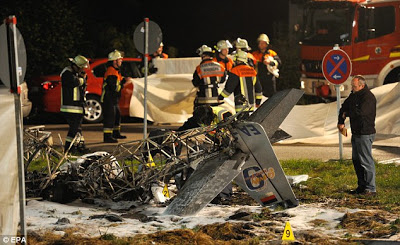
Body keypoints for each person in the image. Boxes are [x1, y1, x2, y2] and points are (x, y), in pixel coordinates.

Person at [337, 75, 377, 196]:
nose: (352, 88)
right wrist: (341, 121)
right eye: (352, 86)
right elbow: (344, 106)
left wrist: (347, 113)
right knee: (357, 160)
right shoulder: (354, 95)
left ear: (361, 85)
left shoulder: (368, 97)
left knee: (365, 160)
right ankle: (362, 186)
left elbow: (362, 113)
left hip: (365, 132)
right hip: (356, 132)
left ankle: (371, 188)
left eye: (354, 86)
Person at [60, 55, 90, 153]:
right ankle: (69, 148)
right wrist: (83, 79)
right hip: (70, 107)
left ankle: (80, 146)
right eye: (81, 67)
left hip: (77, 107)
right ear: (76, 66)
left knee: (78, 129)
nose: (82, 70)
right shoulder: (67, 74)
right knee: (74, 129)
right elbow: (75, 82)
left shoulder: (74, 73)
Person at [101, 50, 129, 143]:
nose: (121, 61)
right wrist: (123, 82)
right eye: (119, 60)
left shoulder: (115, 71)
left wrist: (123, 80)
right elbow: (114, 87)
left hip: (113, 99)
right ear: (114, 61)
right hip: (108, 99)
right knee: (110, 117)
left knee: (116, 116)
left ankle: (116, 133)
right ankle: (107, 136)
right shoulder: (111, 72)